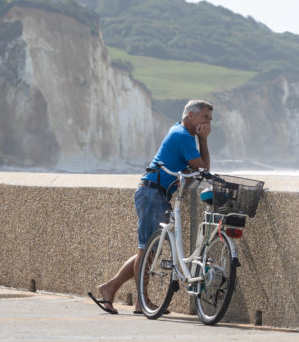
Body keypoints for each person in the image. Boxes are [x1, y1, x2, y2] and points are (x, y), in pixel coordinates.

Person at [88, 99, 213, 314]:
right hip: (152, 192)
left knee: (148, 250)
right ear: (190, 115)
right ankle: (141, 301)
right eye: (205, 117)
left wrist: (200, 140)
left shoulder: (180, 131)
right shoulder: (183, 136)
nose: (209, 123)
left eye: (210, 119)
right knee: (147, 249)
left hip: (156, 193)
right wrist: (204, 140)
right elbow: (203, 168)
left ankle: (110, 288)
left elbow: (200, 172)